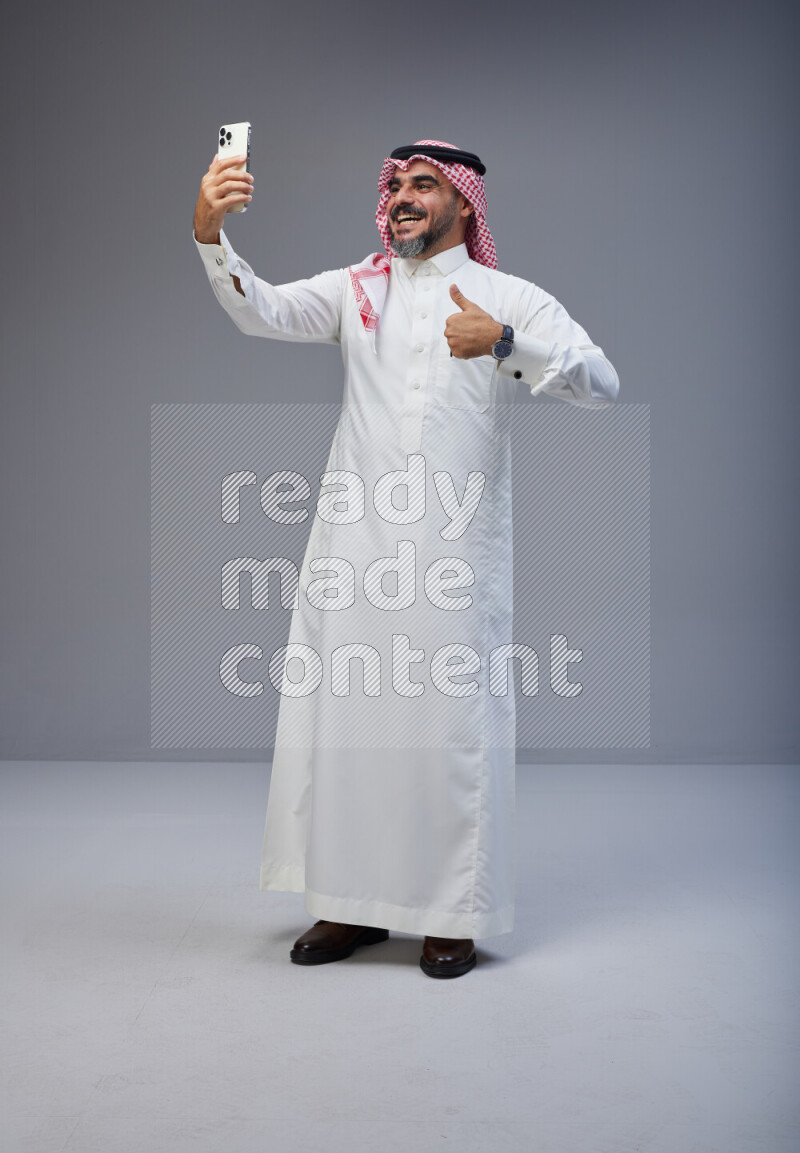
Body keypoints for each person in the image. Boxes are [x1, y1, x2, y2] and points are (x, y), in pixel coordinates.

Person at [193, 139, 619, 979]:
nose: (402, 196)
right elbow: (262, 309)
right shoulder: (359, 290)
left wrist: (505, 343)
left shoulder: (509, 297)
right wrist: (210, 234)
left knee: (445, 733)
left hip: (454, 557)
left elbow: (600, 382)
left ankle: (449, 915)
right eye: (394, 184)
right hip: (354, 551)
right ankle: (348, 903)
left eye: (424, 183)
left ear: (465, 202)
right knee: (348, 727)